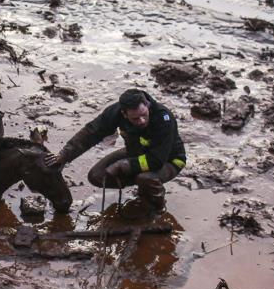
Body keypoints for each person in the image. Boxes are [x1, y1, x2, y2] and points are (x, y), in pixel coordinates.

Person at [45, 89, 186, 212]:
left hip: (169, 160)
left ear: (147, 105)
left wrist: (123, 165)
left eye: (144, 115)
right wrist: (64, 155)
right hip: (136, 153)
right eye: (135, 118)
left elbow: (156, 161)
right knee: (97, 176)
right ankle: (143, 190)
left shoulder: (163, 117)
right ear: (124, 114)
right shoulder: (115, 112)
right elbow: (91, 132)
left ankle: (157, 207)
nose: (142, 121)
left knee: (145, 178)